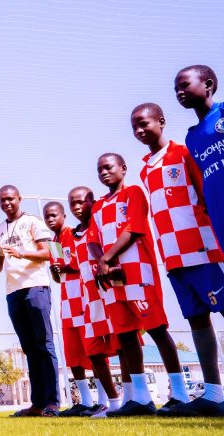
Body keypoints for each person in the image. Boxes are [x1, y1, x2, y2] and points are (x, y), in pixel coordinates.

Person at [131, 102, 224, 416]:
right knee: (197, 320)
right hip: (172, 258)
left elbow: (206, 194)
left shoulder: (183, 153)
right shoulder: (145, 168)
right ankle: (213, 394)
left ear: (161, 121)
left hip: (202, 249)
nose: (140, 130)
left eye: (144, 123)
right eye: (135, 127)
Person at [89, 153, 186, 416]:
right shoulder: (97, 206)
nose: (104, 172)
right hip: (111, 278)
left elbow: (133, 229)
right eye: (99, 169)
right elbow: (93, 239)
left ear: (123, 168)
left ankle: (179, 392)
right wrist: (102, 262)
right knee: (126, 335)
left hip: (137, 273)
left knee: (156, 328)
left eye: (108, 167)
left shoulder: (133, 193)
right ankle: (141, 398)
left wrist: (106, 259)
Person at [0, 185, 59, 417]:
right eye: (2, 200)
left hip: (36, 287)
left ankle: (52, 403)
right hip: (13, 293)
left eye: (10, 199)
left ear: (20, 198)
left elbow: (48, 253)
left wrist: (22, 253)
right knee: (29, 349)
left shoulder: (33, 222)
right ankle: (37, 404)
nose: (6, 203)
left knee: (44, 345)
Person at [63, 188, 122, 418]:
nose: (77, 207)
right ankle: (112, 401)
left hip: (109, 291)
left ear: (92, 202)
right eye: (72, 203)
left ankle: (130, 398)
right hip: (88, 297)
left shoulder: (98, 225)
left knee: (122, 344)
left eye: (80, 202)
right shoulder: (70, 236)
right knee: (94, 350)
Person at [44, 202, 96, 417]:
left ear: (64, 216)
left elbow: (78, 263)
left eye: (54, 215)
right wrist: (56, 271)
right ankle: (84, 400)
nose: (50, 219)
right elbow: (58, 276)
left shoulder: (73, 234)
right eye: (47, 217)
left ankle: (102, 399)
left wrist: (63, 267)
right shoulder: (54, 242)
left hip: (83, 295)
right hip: (67, 297)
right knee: (72, 351)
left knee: (91, 348)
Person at [175, 65, 224, 246]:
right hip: (218, 204)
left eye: (185, 85)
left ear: (208, 85)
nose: (179, 92)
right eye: (176, 90)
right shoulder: (192, 137)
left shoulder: (222, 111)